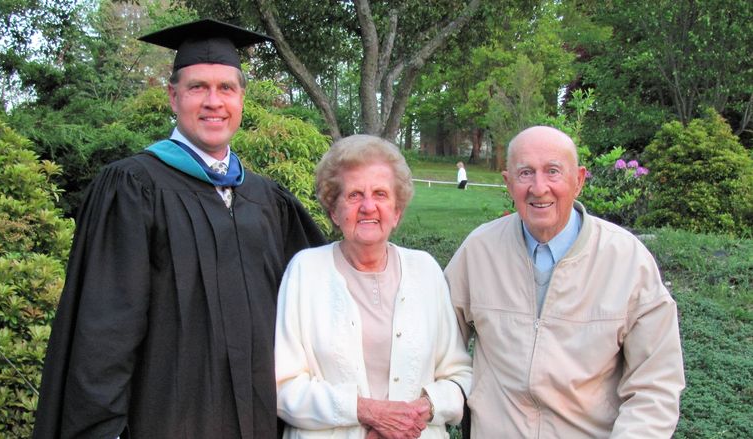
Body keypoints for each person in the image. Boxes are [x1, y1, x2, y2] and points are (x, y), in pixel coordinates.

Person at [33, 19, 325, 438]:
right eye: (197, 87)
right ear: (173, 96)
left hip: (260, 420)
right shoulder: (134, 188)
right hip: (166, 419)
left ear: (242, 97)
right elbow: (103, 333)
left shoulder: (268, 200)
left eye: (226, 88)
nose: (214, 102)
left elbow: (314, 304)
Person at [444, 126, 685, 438]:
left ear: (579, 180)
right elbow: (438, 346)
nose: (539, 187)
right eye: (525, 173)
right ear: (509, 182)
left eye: (553, 171)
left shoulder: (627, 260)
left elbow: (656, 386)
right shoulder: (479, 251)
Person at [275, 135, 472, 439]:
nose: (368, 206)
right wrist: (369, 412)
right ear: (333, 211)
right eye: (354, 195)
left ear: (397, 211)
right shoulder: (305, 271)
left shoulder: (425, 270)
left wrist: (413, 415)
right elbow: (284, 387)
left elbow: (458, 375)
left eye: (380, 194)